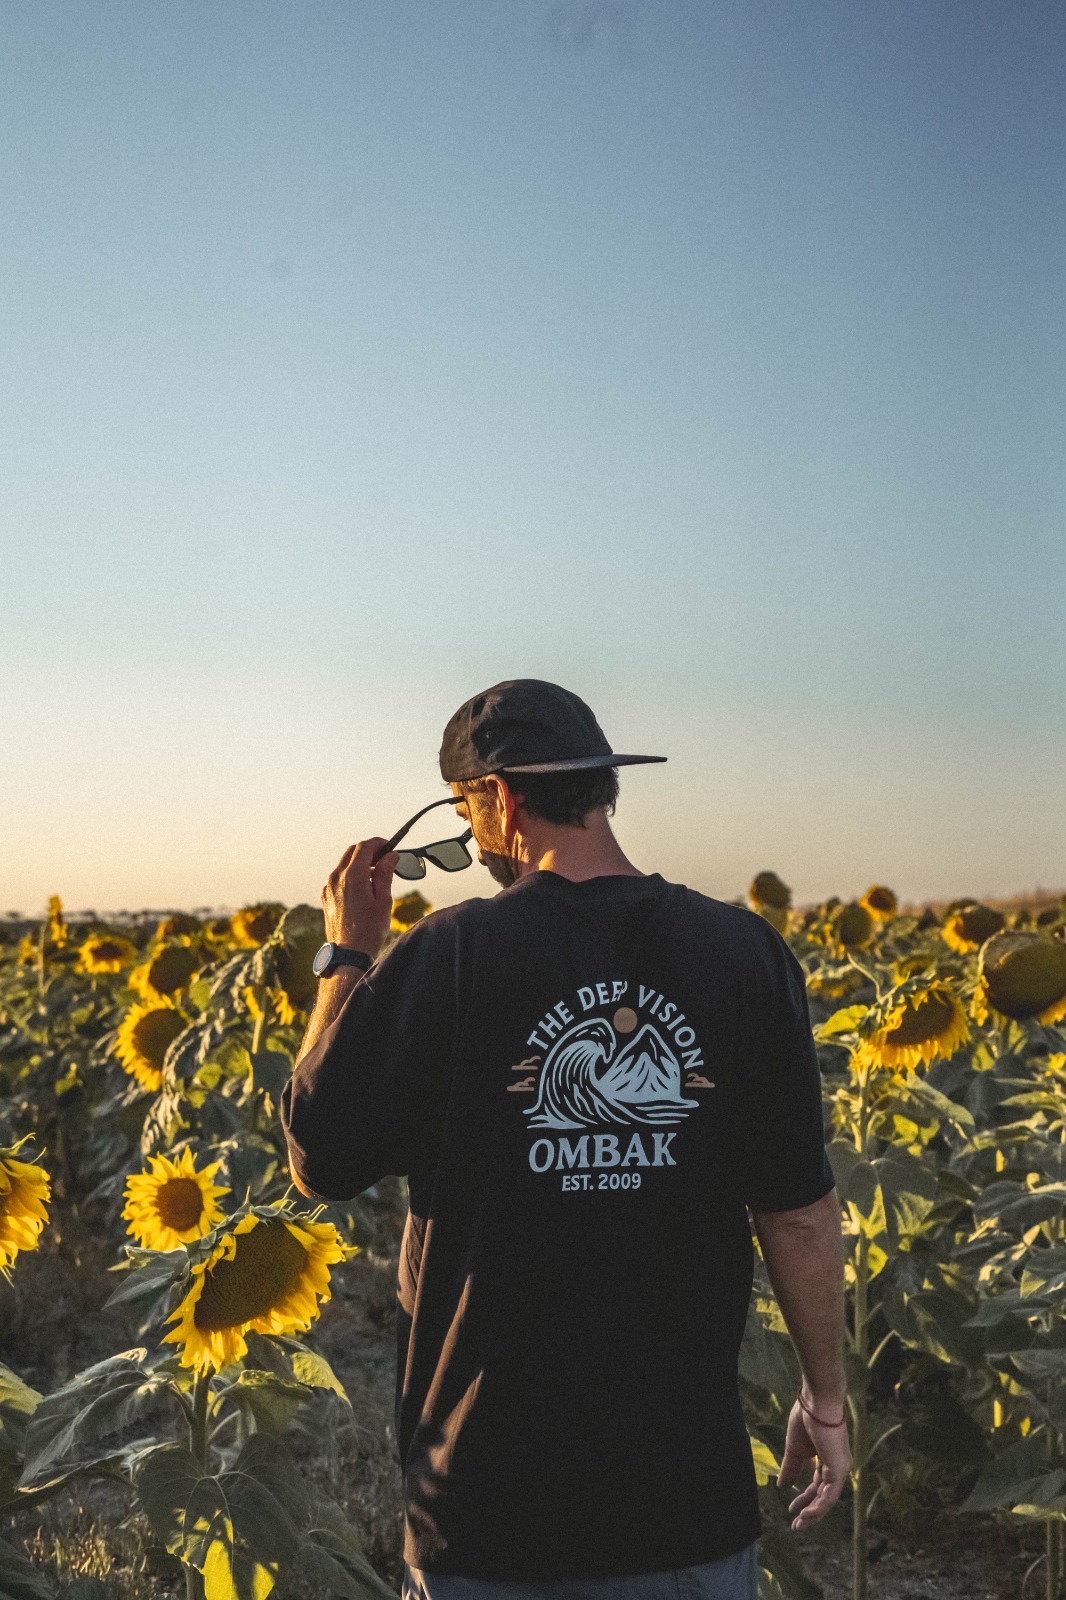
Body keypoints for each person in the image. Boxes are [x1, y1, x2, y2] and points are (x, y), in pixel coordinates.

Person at [281, 678, 850, 1600]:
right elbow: (799, 1214)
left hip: (486, 1502)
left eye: (467, 820)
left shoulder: (449, 955)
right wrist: (825, 1397)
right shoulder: (745, 953)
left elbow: (321, 1156)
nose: (473, 845)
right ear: (600, 787)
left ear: (501, 800)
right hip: (684, 1505)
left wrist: (348, 955)